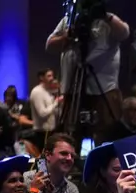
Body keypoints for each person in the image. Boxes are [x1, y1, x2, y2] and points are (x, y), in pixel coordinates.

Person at [46, 4, 129, 145]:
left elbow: (124, 33)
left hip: (104, 91)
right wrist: (67, 36)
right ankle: (71, 161)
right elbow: (50, 45)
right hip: (73, 90)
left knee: (106, 133)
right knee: (71, 134)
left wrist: (105, 15)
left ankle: (106, 165)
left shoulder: (108, 19)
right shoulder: (68, 20)